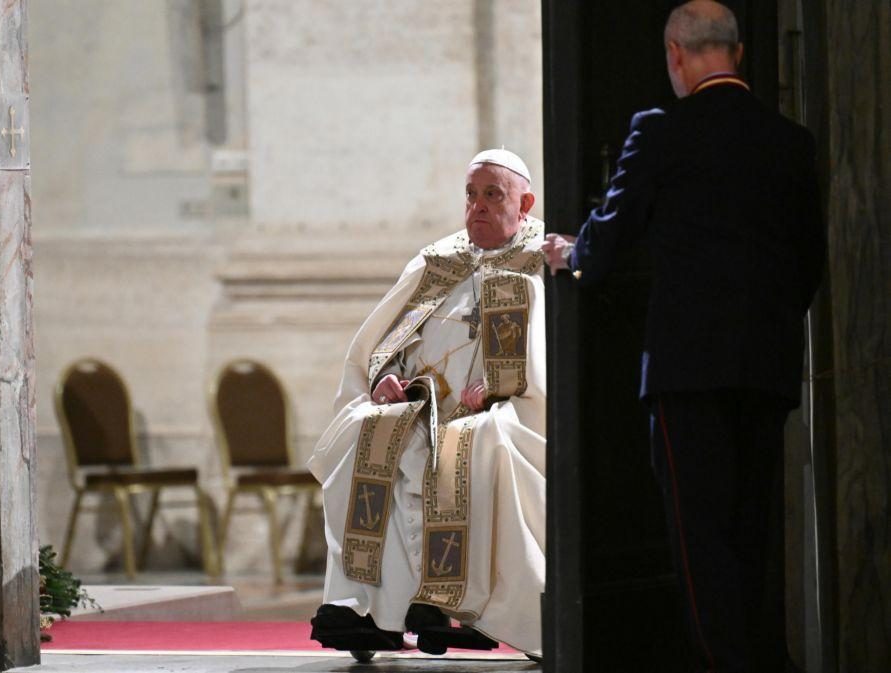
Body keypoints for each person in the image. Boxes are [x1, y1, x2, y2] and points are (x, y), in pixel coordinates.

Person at [543, 2, 824, 672]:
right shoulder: (790, 139)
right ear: (739, 53)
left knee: (699, 538)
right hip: (766, 364)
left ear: (674, 53)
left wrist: (569, 253)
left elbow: (606, 241)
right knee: (749, 529)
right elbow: (809, 260)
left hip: (685, 368)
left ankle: (729, 663)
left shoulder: (660, 129)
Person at [309, 149, 546, 658]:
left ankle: (461, 608)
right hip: (421, 408)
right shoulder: (440, 261)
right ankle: (367, 611)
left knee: (481, 443)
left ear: (524, 202)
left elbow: (550, 358)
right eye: (470, 195)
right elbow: (386, 341)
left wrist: (506, 386)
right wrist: (386, 379)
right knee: (365, 431)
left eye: (492, 195)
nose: (477, 207)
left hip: (503, 410)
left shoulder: (541, 261)